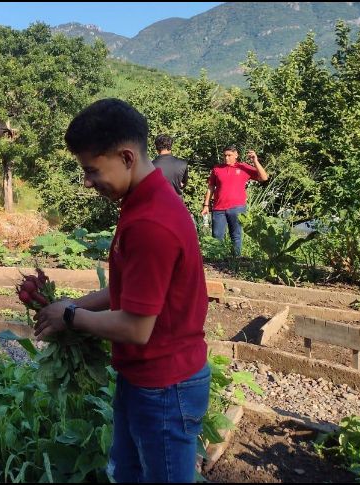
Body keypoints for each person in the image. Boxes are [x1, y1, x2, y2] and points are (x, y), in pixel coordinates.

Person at [33, 98, 210, 483]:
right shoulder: (140, 202)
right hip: (144, 377)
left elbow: (136, 327)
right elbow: (126, 291)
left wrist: (70, 316)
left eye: (92, 170)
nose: (87, 181)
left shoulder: (151, 222)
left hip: (165, 386)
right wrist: (72, 304)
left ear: (127, 157)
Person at [201, 145, 269, 256]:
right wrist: (206, 205)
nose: (226, 158)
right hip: (218, 208)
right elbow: (211, 187)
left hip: (237, 207)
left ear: (236, 155)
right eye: (225, 155)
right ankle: (217, 261)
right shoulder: (217, 168)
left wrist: (255, 161)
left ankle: (235, 262)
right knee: (217, 236)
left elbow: (264, 177)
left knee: (236, 236)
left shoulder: (243, 167)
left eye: (229, 155)